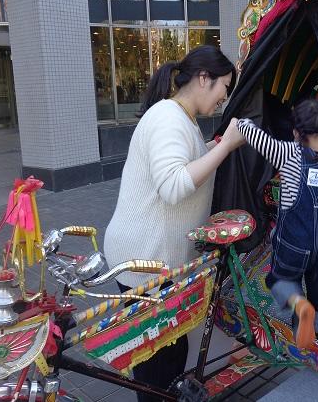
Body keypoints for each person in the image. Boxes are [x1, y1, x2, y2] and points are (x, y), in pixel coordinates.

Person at [103, 45, 245, 401]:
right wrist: (224, 147)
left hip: (156, 261)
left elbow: (185, 164)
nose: (223, 100)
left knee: (168, 352)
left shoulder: (182, 118)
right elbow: (173, 185)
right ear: (203, 79)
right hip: (145, 262)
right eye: (224, 88)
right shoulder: (168, 116)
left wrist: (213, 144)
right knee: (157, 362)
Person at [237, 99, 318, 349]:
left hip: (292, 244)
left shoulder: (287, 153)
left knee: (280, 280)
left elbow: (255, 136)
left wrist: (241, 123)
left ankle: (299, 306)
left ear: (297, 133)